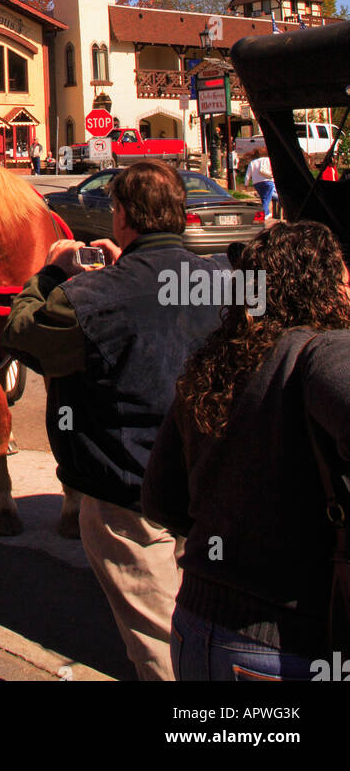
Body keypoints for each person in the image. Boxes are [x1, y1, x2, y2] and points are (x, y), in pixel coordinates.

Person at [1, 161, 221, 681]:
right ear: (183, 216)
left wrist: (53, 270)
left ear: (120, 218)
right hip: (211, 490)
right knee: (202, 626)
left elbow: (21, 333)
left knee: (161, 648)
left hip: (128, 495)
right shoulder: (225, 281)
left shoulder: (93, 299)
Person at [142, 221, 350, 680]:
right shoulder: (324, 352)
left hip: (195, 628)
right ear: (327, 284)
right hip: (288, 645)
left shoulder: (214, 362)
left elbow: (159, 497)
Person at [245, 152, 275, 218]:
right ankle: (265, 214)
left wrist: (246, 184)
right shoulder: (268, 160)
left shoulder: (252, 163)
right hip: (268, 181)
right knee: (266, 198)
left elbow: (248, 174)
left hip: (256, 183)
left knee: (264, 198)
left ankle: (267, 213)